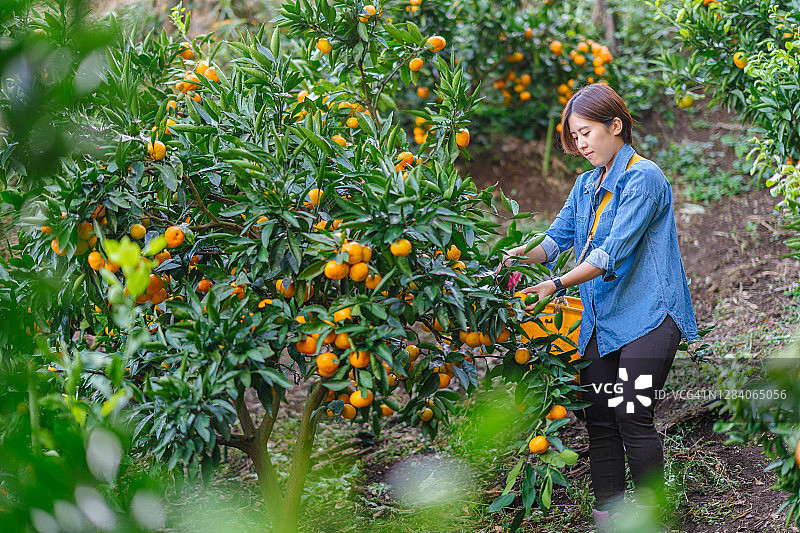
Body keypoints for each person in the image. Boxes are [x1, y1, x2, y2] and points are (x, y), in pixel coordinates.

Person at [499, 83, 698, 532]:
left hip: (650, 314)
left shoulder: (644, 177)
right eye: (575, 135)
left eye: (586, 132)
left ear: (616, 125)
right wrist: (514, 257)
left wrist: (554, 285)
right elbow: (555, 240)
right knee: (600, 418)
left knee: (631, 415)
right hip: (601, 319)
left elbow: (611, 254)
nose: (581, 143)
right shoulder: (587, 183)